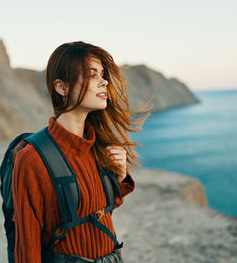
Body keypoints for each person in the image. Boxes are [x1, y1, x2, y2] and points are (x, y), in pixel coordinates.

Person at [11, 41, 152, 262]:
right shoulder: (32, 159)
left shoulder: (97, 145)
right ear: (62, 87)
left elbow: (96, 213)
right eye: (92, 75)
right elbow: (27, 249)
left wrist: (119, 178)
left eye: (103, 75)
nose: (104, 81)